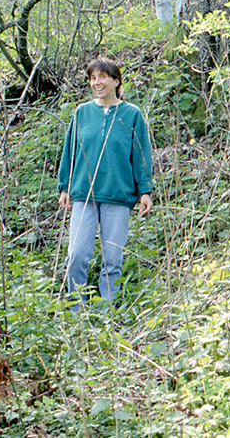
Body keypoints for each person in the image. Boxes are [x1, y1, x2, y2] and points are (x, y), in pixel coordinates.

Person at [58, 56, 154, 311]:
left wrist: (144, 191)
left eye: (102, 77)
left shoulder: (131, 115)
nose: (96, 82)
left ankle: (106, 312)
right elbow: (70, 151)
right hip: (83, 195)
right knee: (76, 255)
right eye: (92, 78)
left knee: (112, 258)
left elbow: (140, 155)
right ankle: (77, 310)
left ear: (115, 80)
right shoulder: (82, 113)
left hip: (118, 194)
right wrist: (65, 186)